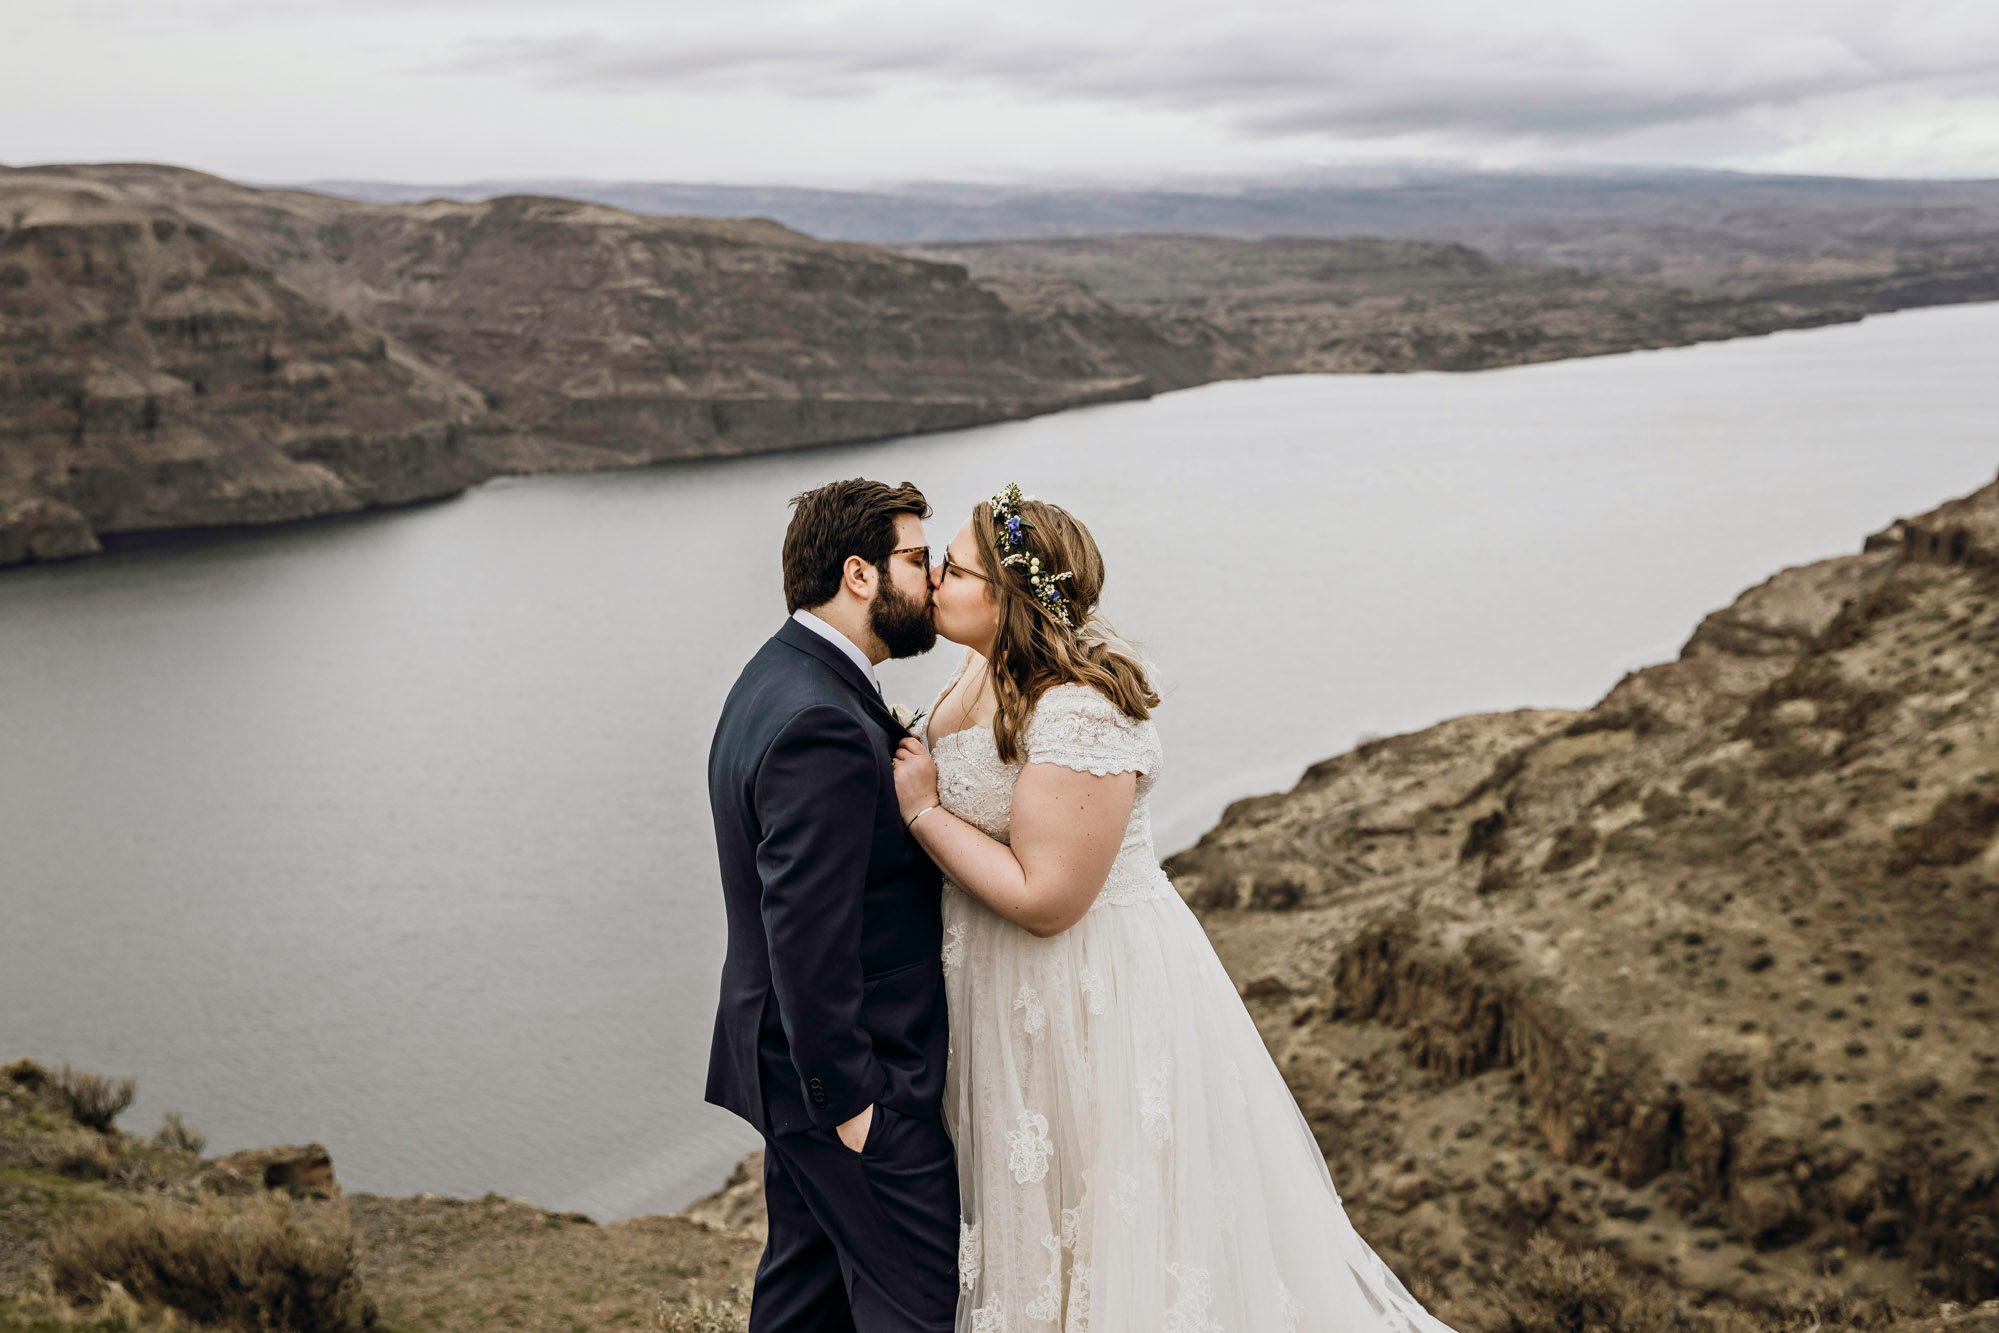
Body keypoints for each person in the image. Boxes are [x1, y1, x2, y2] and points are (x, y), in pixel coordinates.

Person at [892, 483, 1458, 1333]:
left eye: (955, 568)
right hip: (1001, 995)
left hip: (1087, 994)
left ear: (1009, 602)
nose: (934, 577)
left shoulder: (1078, 707)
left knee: (1115, 1227)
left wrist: (923, 811)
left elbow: (1048, 900)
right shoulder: (976, 667)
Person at [706, 478, 959, 1333]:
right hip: (850, 1082)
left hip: (791, 1075)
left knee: (803, 1306)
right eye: (918, 559)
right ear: (860, 574)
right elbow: (805, 937)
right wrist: (856, 1109)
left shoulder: (777, 675)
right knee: (915, 1309)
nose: (933, 578)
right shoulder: (819, 720)